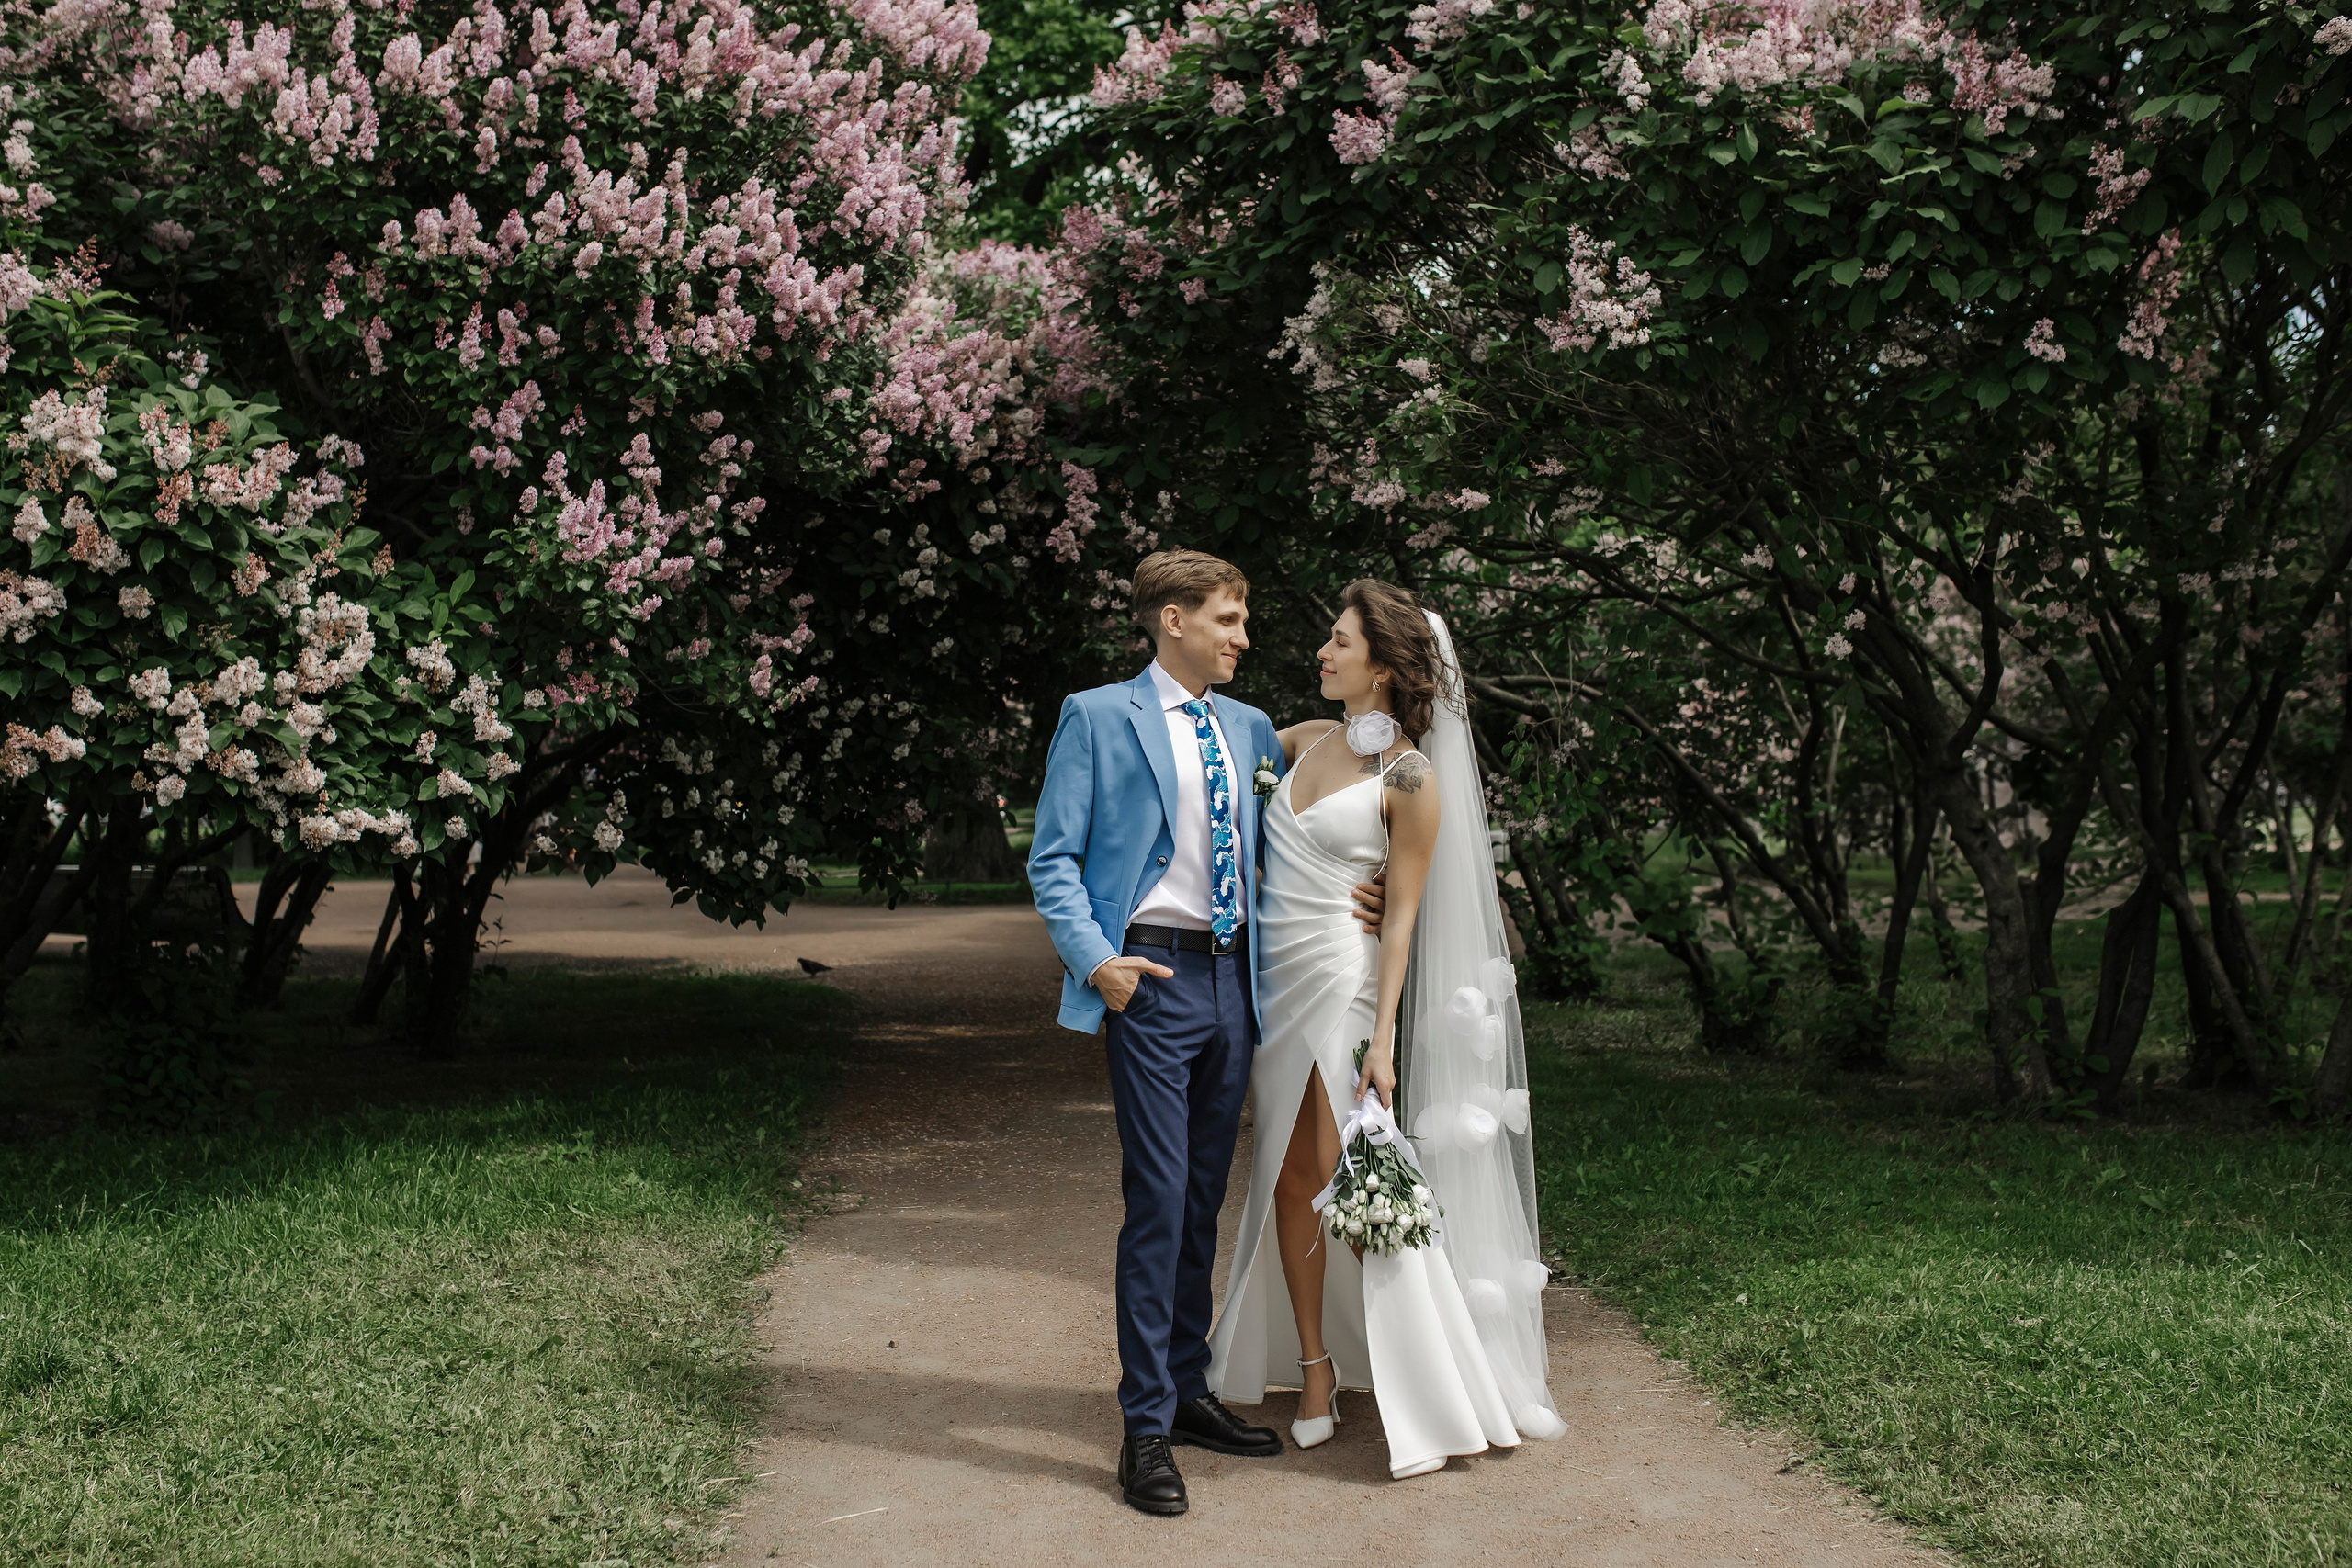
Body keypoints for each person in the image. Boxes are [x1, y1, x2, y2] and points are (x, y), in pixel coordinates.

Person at [1028, 549, 1385, 1516]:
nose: (1242, 637)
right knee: (1158, 1200)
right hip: (1147, 979)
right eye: (1227, 620)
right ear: (1173, 622)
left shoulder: (1254, 729)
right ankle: (1144, 1429)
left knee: (1200, 1205)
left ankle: (1187, 1393)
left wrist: (1359, 886)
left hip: (1242, 983)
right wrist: (1097, 961)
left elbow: (1293, 835)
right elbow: (1051, 858)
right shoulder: (1098, 716)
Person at [1204, 579, 1568, 1479]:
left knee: (1343, 1174)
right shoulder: (1296, 740)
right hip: (1272, 991)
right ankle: (1315, 1367)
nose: (1321, 653)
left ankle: (1422, 1370)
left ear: (1383, 664)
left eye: (1337, 641)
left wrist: (1383, 1040)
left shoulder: (1408, 775)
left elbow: (1399, 917)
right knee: (1290, 1177)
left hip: (1341, 984)